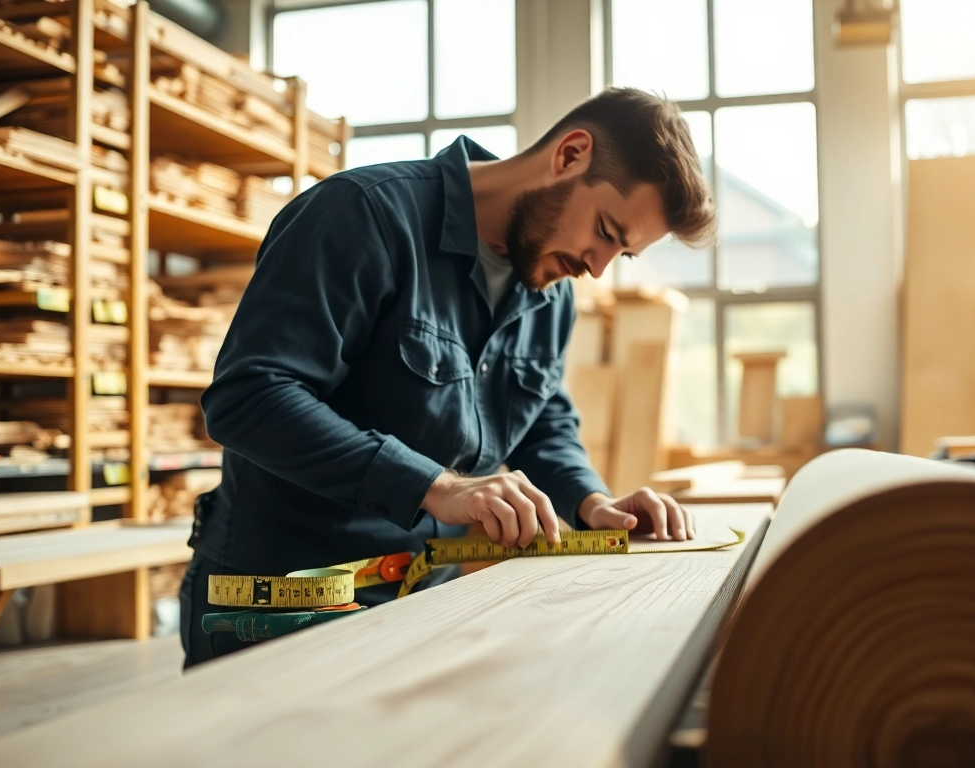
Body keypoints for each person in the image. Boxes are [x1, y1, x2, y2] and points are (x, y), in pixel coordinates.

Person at [178, 88, 716, 668]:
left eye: (623, 254)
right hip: (281, 607)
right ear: (570, 155)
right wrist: (438, 486)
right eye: (607, 231)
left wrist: (592, 503)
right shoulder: (364, 216)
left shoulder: (549, 291)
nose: (597, 267)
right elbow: (249, 397)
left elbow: (542, 422)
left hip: (422, 600)